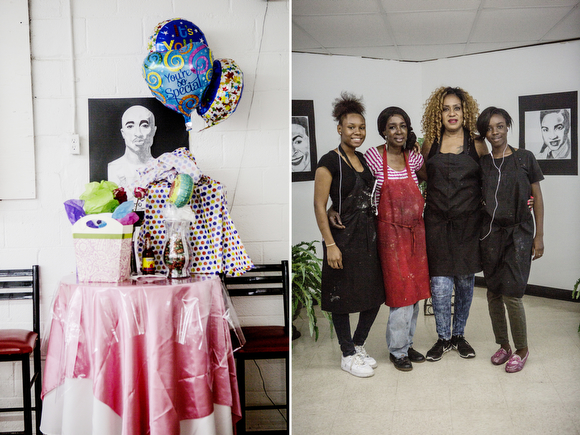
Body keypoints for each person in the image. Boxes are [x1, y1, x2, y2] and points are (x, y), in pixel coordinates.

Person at [313, 92, 385, 378]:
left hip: (368, 236)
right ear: (340, 129)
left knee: (374, 294)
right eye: (351, 127)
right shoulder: (329, 161)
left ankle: (358, 345)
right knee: (341, 296)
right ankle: (346, 354)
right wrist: (330, 244)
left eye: (361, 127)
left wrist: (334, 208)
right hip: (342, 239)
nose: (357, 132)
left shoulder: (363, 160)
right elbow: (319, 204)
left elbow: (343, 200)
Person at [420, 86, 489, 361]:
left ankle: (459, 335)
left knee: (464, 283)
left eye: (456, 108)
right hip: (436, 222)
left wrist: (526, 197)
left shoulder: (477, 144)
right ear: (439, 113)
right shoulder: (431, 143)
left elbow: (497, 174)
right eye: (446, 108)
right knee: (439, 285)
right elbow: (421, 177)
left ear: (465, 112)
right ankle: (443, 338)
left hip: (468, 225)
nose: (451, 113)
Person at [476, 107, 544, 373]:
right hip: (491, 234)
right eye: (490, 128)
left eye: (500, 126)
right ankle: (503, 345)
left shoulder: (525, 158)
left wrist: (539, 235)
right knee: (493, 292)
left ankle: (522, 349)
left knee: (512, 294)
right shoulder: (484, 163)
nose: (496, 132)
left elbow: (537, 197)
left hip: (519, 234)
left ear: (508, 127)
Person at [363, 107, 431, 371]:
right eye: (392, 126)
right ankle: (397, 351)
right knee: (401, 293)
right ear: (383, 131)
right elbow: (359, 187)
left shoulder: (412, 158)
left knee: (414, 293)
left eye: (403, 126)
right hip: (390, 235)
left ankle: (407, 344)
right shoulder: (372, 156)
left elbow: (428, 179)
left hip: (416, 232)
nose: (398, 131)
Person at [108, 105, 158, 194]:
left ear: (153, 131)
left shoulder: (162, 169)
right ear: (123, 133)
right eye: (130, 126)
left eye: (144, 125)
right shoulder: (113, 168)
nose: (138, 133)